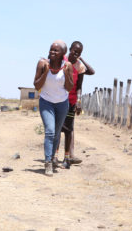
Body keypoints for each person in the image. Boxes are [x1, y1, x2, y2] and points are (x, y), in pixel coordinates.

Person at [34, 40, 73, 176]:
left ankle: (51, 158)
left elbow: (69, 87)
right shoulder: (42, 64)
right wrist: (46, 72)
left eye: (56, 50)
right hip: (46, 102)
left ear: (63, 53)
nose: (52, 52)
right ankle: (48, 162)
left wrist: (68, 73)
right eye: (51, 49)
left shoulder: (67, 66)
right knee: (49, 131)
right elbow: (37, 85)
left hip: (62, 103)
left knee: (56, 133)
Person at [56, 41, 95, 169]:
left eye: (79, 52)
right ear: (70, 49)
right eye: (74, 50)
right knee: (57, 128)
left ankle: (67, 158)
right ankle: (54, 157)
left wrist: (78, 101)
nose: (76, 53)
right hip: (59, 99)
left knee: (68, 129)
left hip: (71, 101)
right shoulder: (62, 61)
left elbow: (79, 86)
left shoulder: (79, 66)